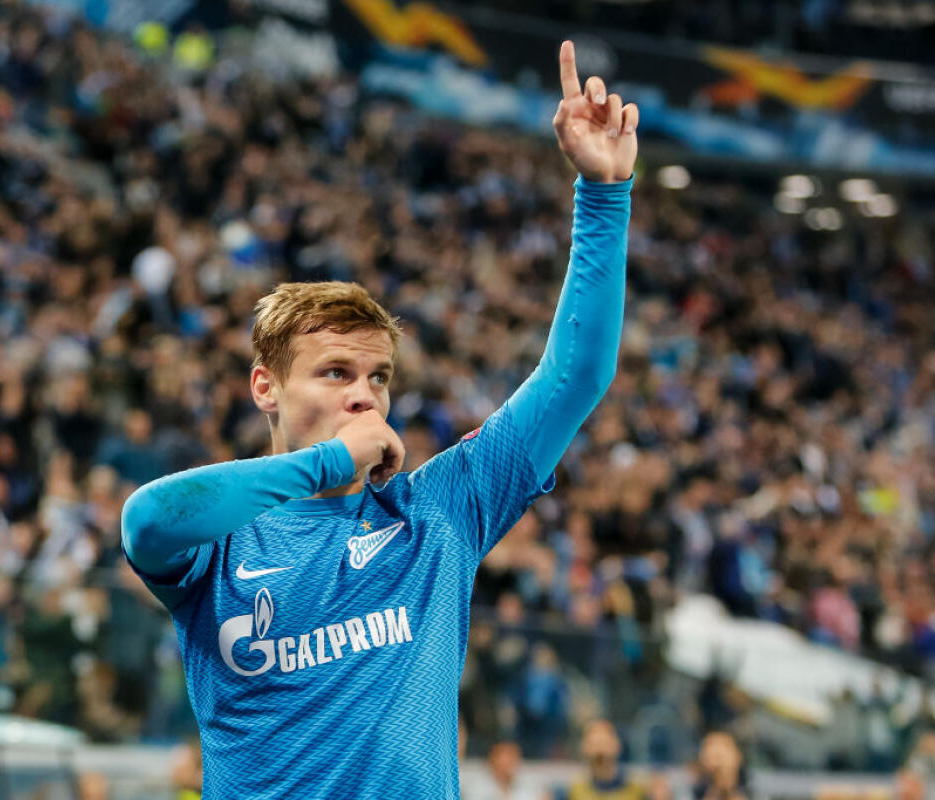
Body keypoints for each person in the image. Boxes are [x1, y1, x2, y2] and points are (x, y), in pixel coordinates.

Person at [120, 40, 637, 800]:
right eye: (335, 373)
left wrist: (604, 196)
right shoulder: (219, 546)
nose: (365, 395)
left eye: (378, 378)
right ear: (266, 387)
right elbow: (146, 521)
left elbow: (577, 377)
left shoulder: (441, 509)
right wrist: (329, 465)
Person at [556, 718, 648, 800]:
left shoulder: (639, 789)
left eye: (605, 743)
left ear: (617, 745)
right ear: (584, 748)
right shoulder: (570, 791)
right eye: (595, 744)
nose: (600, 752)